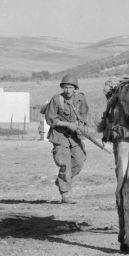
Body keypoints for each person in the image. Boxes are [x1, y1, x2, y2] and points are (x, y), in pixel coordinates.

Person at [44, 73, 89, 203]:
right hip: (60, 135)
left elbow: (84, 115)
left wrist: (81, 127)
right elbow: (51, 120)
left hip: (74, 136)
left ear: (75, 88)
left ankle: (62, 180)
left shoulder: (81, 99)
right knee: (65, 165)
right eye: (65, 87)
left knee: (79, 162)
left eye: (70, 87)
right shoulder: (56, 100)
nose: (67, 90)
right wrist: (68, 124)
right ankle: (65, 194)